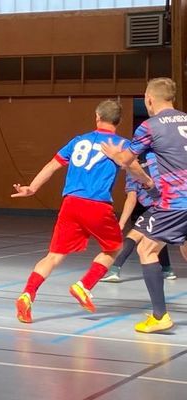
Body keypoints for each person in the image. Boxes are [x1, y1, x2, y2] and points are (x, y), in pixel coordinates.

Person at [11, 99, 151, 324]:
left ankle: (27, 294)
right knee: (115, 248)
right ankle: (83, 286)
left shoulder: (78, 141)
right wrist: (148, 183)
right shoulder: (121, 144)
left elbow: (52, 165)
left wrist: (32, 188)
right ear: (119, 120)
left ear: (97, 117)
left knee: (54, 256)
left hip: (71, 203)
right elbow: (133, 168)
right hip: (96, 205)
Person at [102, 77, 187, 333]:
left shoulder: (149, 126)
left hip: (176, 201)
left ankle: (160, 316)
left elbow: (128, 161)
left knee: (147, 250)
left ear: (149, 99)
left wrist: (115, 154)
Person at [101, 151, 176, 282]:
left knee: (133, 236)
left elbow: (131, 199)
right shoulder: (133, 172)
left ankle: (114, 270)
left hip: (164, 205)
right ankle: (167, 269)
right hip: (164, 206)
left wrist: (122, 223)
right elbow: (131, 198)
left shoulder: (153, 160)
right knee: (155, 236)